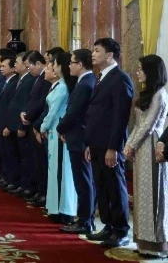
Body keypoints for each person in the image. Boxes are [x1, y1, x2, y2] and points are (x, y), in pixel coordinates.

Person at [84, 38, 134, 248]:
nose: (93, 54)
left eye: (97, 51)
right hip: (96, 143)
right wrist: (89, 143)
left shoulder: (120, 79)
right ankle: (108, 225)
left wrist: (113, 147)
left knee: (115, 186)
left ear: (110, 55)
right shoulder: (102, 77)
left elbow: (120, 117)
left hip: (109, 146)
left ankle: (121, 230)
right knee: (102, 186)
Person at [124, 55, 168, 257]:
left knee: (153, 195)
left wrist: (132, 145)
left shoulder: (160, 94)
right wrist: (129, 145)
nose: (137, 71)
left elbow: (149, 125)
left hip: (152, 146)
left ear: (151, 72)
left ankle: (156, 244)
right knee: (142, 195)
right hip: (141, 147)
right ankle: (143, 242)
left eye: (141, 68)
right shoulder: (147, 93)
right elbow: (138, 125)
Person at [56, 49, 96, 235]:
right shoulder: (85, 81)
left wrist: (60, 128)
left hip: (80, 138)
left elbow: (74, 113)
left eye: (72, 62)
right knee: (83, 181)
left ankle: (85, 221)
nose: (69, 66)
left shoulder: (85, 84)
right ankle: (85, 220)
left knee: (83, 182)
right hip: (77, 137)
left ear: (80, 65)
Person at [40, 52, 77, 225]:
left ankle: (64, 209)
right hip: (54, 131)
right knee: (53, 169)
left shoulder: (62, 88)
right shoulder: (59, 86)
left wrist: (43, 127)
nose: (52, 67)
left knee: (60, 170)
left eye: (53, 64)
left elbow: (54, 111)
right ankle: (54, 207)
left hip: (58, 129)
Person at [20, 51, 49, 207]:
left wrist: (30, 117)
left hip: (39, 125)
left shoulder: (46, 79)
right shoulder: (38, 78)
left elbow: (42, 103)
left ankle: (43, 192)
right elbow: (31, 101)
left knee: (41, 162)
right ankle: (39, 191)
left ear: (38, 63)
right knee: (36, 161)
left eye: (29, 66)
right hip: (33, 123)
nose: (28, 69)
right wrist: (25, 114)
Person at [0, 53, 19, 191]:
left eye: (4, 66)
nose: (1, 69)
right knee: (3, 152)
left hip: (7, 124)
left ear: (12, 69)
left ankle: (11, 179)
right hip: (0, 121)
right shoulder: (6, 81)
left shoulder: (14, 83)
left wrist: (7, 125)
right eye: (0, 66)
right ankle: (5, 176)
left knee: (10, 154)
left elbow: (12, 107)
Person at [7, 52, 35, 197]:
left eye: (18, 62)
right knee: (17, 155)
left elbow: (26, 105)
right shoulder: (21, 79)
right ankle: (20, 183)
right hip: (15, 124)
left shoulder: (29, 80)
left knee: (25, 157)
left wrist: (22, 126)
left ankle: (26, 185)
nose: (16, 65)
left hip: (22, 125)